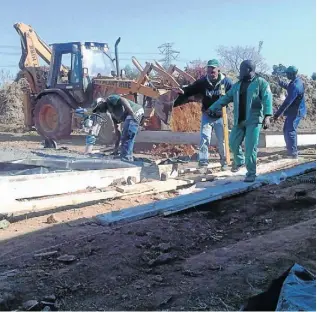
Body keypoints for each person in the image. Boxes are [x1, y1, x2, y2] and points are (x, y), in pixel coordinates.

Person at [207, 60, 273, 182]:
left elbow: (267, 99)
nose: (240, 71)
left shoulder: (261, 83)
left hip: (253, 120)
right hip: (240, 120)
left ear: (249, 70)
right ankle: (240, 161)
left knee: (250, 147)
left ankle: (251, 173)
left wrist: (267, 116)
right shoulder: (237, 85)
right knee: (232, 142)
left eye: (242, 69)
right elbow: (226, 98)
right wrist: (212, 108)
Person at [173, 59, 233, 170]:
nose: (211, 72)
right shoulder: (203, 82)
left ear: (218, 69)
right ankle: (203, 162)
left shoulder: (227, 82)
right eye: (209, 69)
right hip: (207, 115)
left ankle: (224, 161)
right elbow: (191, 89)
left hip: (221, 116)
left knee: (222, 140)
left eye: (213, 70)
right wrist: (183, 91)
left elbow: (234, 94)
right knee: (205, 138)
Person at [93, 94, 144, 161]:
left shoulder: (109, 99)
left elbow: (122, 99)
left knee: (128, 134)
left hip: (135, 111)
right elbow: (118, 133)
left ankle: (126, 158)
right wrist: (116, 149)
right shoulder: (113, 115)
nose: (99, 110)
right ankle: (127, 157)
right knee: (125, 136)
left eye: (99, 108)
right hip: (132, 115)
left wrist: (131, 113)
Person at [273, 66, 306, 159]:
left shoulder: (296, 85)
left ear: (292, 74)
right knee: (286, 129)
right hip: (294, 110)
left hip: (296, 112)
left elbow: (287, 102)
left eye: (287, 74)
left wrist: (277, 114)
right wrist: (280, 83)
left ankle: (293, 153)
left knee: (290, 130)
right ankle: (290, 150)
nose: (286, 75)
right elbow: (289, 87)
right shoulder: (296, 82)